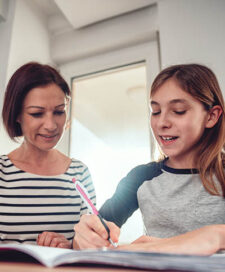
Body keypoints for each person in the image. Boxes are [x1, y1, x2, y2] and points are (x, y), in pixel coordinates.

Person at [73, 63, 225, 255]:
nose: (161, 123)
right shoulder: (140, 177)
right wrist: (84, 238)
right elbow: (92, 237)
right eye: (155, 111)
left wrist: (214, 235)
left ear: (211, 116)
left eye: (178, 111)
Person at [0, 62, 96, 248]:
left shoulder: (80, 173)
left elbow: (89, 246)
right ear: (17, 115)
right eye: (37, 114)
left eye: (59, 112)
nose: (51, 125)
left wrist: (70, 247)